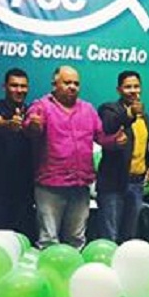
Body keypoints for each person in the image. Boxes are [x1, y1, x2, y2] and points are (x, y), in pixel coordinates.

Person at [25, 66, 122, 249]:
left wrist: (115, 141)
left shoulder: (88, 109)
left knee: (76, 239)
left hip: (80, 184)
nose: (72, 87)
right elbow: (30, 128)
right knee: (48, 239)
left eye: (76, 83)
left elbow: (101, 138)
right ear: (54, 84)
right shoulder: (41, 106)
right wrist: (34, 126)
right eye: (67, 82)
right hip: (50, 184)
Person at [94, 70, 149, 243]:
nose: (133, 91)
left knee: (129, 238)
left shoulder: (145, 117)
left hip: (137, 184)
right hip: (113, 183)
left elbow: (143, 145)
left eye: (136, 86)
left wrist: (148, 165)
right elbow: (109, 126)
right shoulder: (109, 109)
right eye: (128, 87)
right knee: (110, 237)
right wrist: (130, 114)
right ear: (119, 90)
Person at [0, 68, 35, 240]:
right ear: (4, 87)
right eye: (14, 85)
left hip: (25, 189)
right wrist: (8, 124)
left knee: (22, 238)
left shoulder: (32, 112)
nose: (19, 90)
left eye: (23, 86)